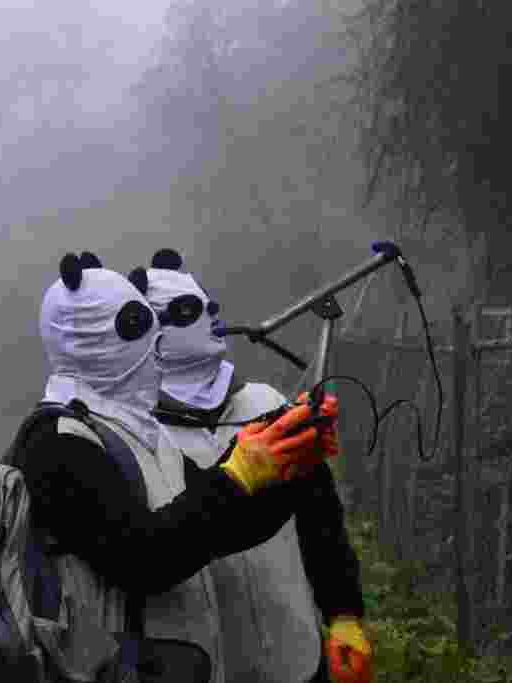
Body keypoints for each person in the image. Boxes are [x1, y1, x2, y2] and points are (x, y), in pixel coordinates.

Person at [13, 251, 341, 683]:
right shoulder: (58, 441)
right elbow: (144, 558)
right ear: (92, 342)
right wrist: (236, 475)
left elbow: (219, 526)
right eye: (140, 330)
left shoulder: (132, 428)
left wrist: (286, 462)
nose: (156, 348)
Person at [137, 248, 372, 683]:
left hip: (297, 655)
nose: (210, 315)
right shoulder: (138, 435)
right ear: (149, 334)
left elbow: (320, 519)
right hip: (204, 664)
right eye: (188, 311)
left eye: (210, 304)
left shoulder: (265, 404)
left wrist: (343, 615)